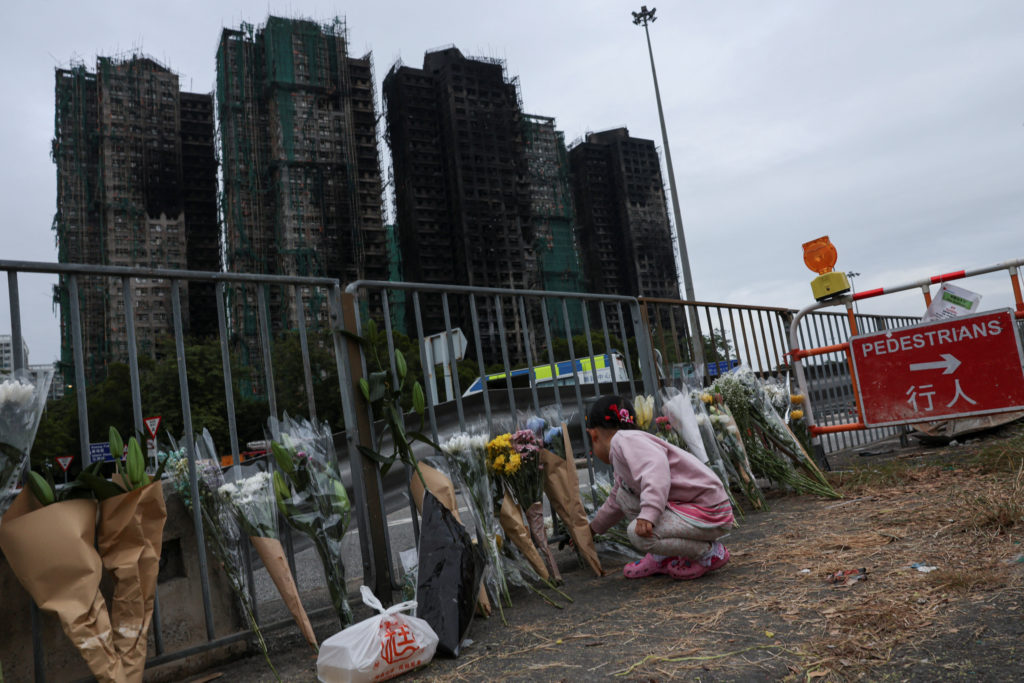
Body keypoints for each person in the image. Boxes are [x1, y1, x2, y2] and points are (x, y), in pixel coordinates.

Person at [587, 395, 733, 580]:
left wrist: (649, 514)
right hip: (697, 508)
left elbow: (656, 468)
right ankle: (663, 556)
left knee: (637, 534)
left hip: (709, 511)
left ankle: (708, 553)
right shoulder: (627, 444)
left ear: (593, 434)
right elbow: (616, 501)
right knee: (623, 495)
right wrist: (593, 528)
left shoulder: (624, 441)